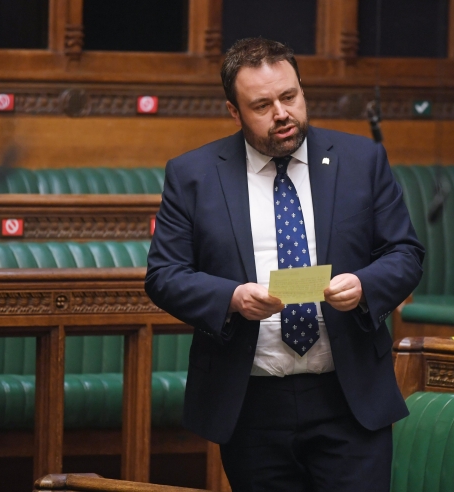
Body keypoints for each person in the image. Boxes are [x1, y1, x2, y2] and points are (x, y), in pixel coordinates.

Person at [145, 37, 424, 492]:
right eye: (262, 105)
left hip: (348, 395)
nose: (282, 114)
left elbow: (405, 253)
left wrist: (364, 285)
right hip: (252, 401)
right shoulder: (193, 174)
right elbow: (164, 275)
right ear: (234, 112)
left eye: (290, 97)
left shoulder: (361, 161)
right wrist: (231, 298)